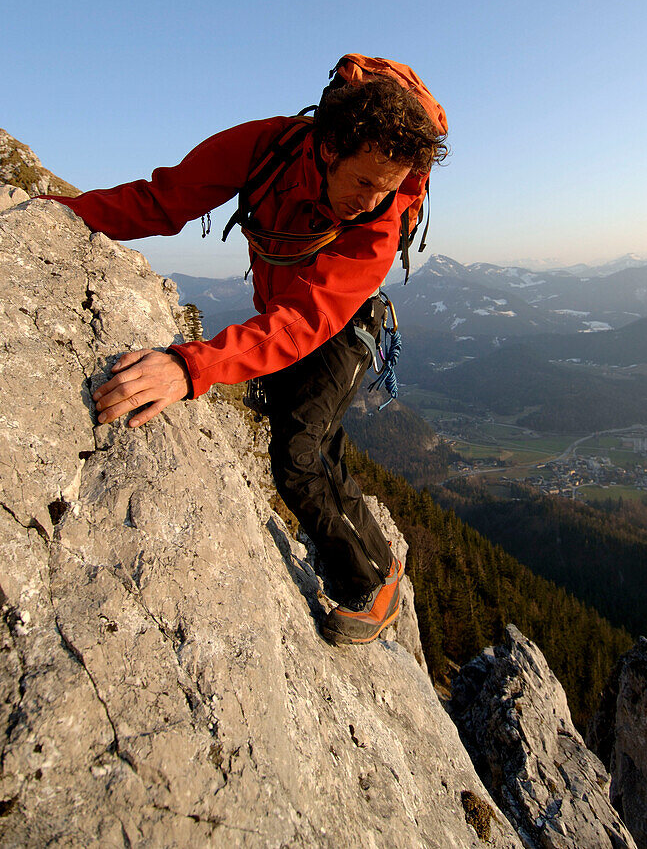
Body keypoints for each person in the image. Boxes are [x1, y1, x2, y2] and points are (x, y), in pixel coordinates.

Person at [43, 56, 448, 646]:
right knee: (319, 445)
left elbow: (307, 321)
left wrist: (190, 366)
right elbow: (163, 201)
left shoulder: (381, 221)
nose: (374, 201)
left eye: (388, 189)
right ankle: (379, 559)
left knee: (296, 453)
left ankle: (368, 584)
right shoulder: (266, 148)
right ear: (328, 147)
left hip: (342, 321)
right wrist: (53, 218)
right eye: (365, 183)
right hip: (282, 316)